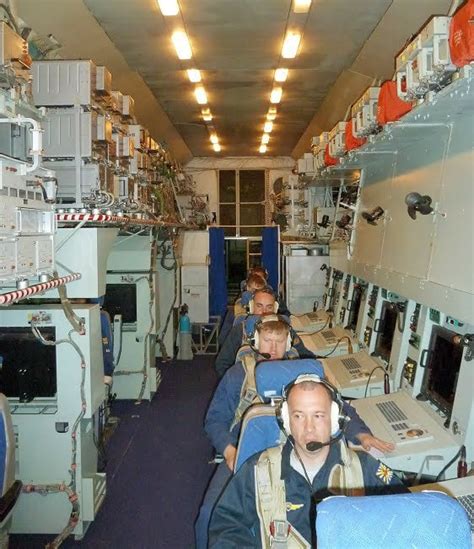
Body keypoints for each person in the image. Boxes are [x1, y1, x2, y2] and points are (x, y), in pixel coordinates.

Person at [196, 318, 393, 549]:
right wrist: (229, 450)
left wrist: (361, 435)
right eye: (267, 341)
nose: (273, 348)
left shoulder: (304, 373)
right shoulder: (238, 375)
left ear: (288, 342)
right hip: (241, 450)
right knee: (209, 513)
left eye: (279, 342)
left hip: (297, 452)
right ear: (256, 341)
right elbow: (215, 420)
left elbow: (340, 407)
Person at [209, 375, 407, 547]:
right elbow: (227, 527)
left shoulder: (365, 469)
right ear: (286, 421)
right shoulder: (258, 470)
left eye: (318, 416)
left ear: (335, 420)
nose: (309, 427)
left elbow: (407, 519)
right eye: (298, 416)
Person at [215, 288, 306, 378]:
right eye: (259, 306)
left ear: (275, 308)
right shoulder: (240, 331)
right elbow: (222, 364)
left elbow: (306, 356)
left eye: (269, 307)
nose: (264, 312)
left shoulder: (285, 329)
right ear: (251, 307)